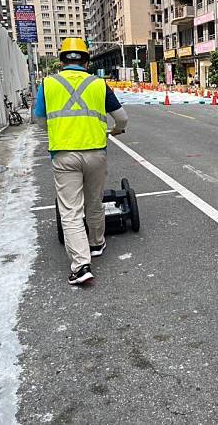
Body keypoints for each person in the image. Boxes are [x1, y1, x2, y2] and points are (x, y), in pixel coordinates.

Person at [34, 38, 128, 285]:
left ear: (62, 60)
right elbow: (122, 118)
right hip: (96, 152)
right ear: (86, 60)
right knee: (94, 201)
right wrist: (116, 130)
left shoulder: (48, 83)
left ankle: (81, 265)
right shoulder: (99, 84)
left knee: (71, 210)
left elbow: (40, 120)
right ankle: (97, 243)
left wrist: (58, 130)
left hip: (64, 154)